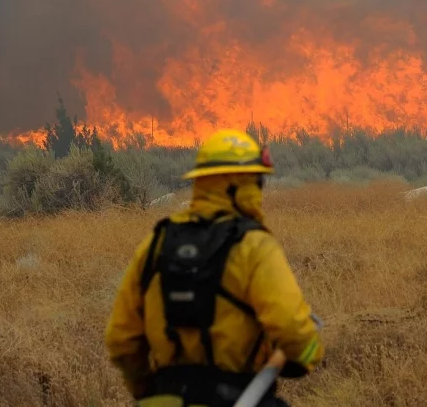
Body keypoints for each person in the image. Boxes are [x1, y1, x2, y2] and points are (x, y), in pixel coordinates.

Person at [104, 129, 324, 407]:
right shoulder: (253, 246)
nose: (260, 190)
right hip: (239, 395)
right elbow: (292, 328)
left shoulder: (157, 242)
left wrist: (148, 392)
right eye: (257, 181)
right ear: (237, 184)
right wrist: (308, 356)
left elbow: (120, 339)